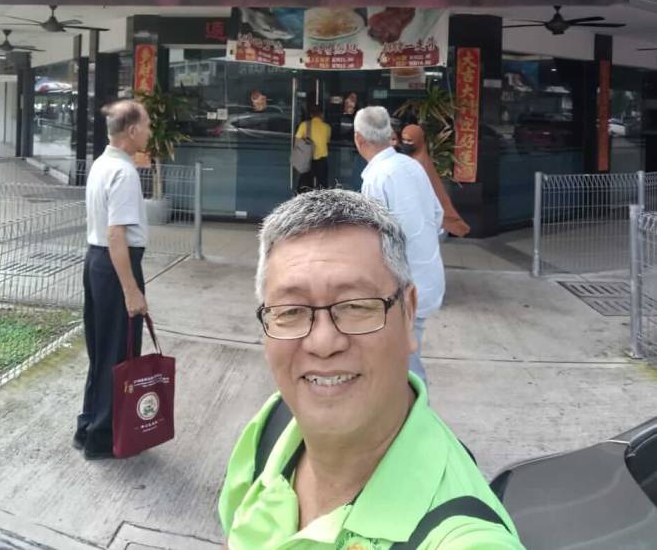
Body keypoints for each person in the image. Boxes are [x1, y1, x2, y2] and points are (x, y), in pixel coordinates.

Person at [219, 189, 524, 549]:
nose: (323, 342)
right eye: (291, 311)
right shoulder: (275, 424)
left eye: (356, 306)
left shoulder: (465, 541)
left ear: (409, 313)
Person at [73, 99, 150, 460]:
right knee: (118, 353)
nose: (149, 132)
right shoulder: (124, 172)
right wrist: (131, 290)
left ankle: (87, 426)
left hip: (96, 262)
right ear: (132, 131)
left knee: (101, 350)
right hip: (117, 264)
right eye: (146, 125)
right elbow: (117, 235)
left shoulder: (102, 164)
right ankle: (102, 439)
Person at [354, 106, 444, 385]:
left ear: (359, 139)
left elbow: (375, 240)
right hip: (427, 278)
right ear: (390, 135)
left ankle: (417, 408)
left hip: (404, 286)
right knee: (405, 354)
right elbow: (438, 215)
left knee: (405, 365)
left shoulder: (377, 178)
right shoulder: (412, 166)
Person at [401, 124, 471, 238]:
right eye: (403, 140)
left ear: (418, 140)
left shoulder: (419, 162)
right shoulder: (416, 157)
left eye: (409, 141)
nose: (406, 143)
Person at [295, 103, 332, 191]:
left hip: (307, 160)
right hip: (321, 161)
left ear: (311, 114)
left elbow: (297, 141)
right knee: (322, 186)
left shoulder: (304, 125)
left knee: (304, 186)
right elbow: (327, 141)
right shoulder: (327, 127)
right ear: (321, 114)